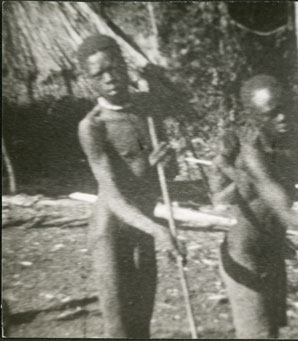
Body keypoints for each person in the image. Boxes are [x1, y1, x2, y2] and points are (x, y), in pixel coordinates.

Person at [77, 34, 183, 338]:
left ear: (124, 65)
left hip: (144, 224)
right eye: (99, 74)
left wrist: (165, 161)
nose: (110, 79)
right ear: (88, 80)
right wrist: (158, 230)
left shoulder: (147, 108)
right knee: (120, 328)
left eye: (114, 68)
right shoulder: (93, 127)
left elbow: (165, 173)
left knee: (142, 324)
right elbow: (113, 197)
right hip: (111, 231)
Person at [210, 75, 298, 338]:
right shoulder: (252, 156)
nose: (283, 118)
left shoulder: (291, 146)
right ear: (253, 118)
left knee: (272, 332)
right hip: (244, 257)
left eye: (285, 109)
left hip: (272, 253)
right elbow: (286, 213)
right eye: (272, 113)